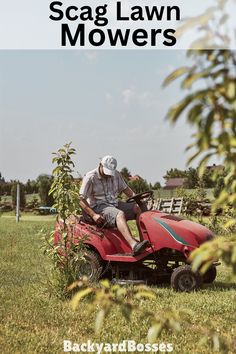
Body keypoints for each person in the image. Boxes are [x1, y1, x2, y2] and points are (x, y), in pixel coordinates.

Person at [79, 155, 149, 256]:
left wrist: (139, 199)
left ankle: (144, 242)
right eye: (107, 172)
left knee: (138, 208)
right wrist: (93, 215)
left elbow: (126, 189)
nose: (109, 175)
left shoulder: (116, 174)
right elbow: (81, 200)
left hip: (114, 204)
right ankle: (134, 245)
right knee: (119, 214)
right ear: (100, 165)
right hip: (98, 207)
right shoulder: (90, 177)